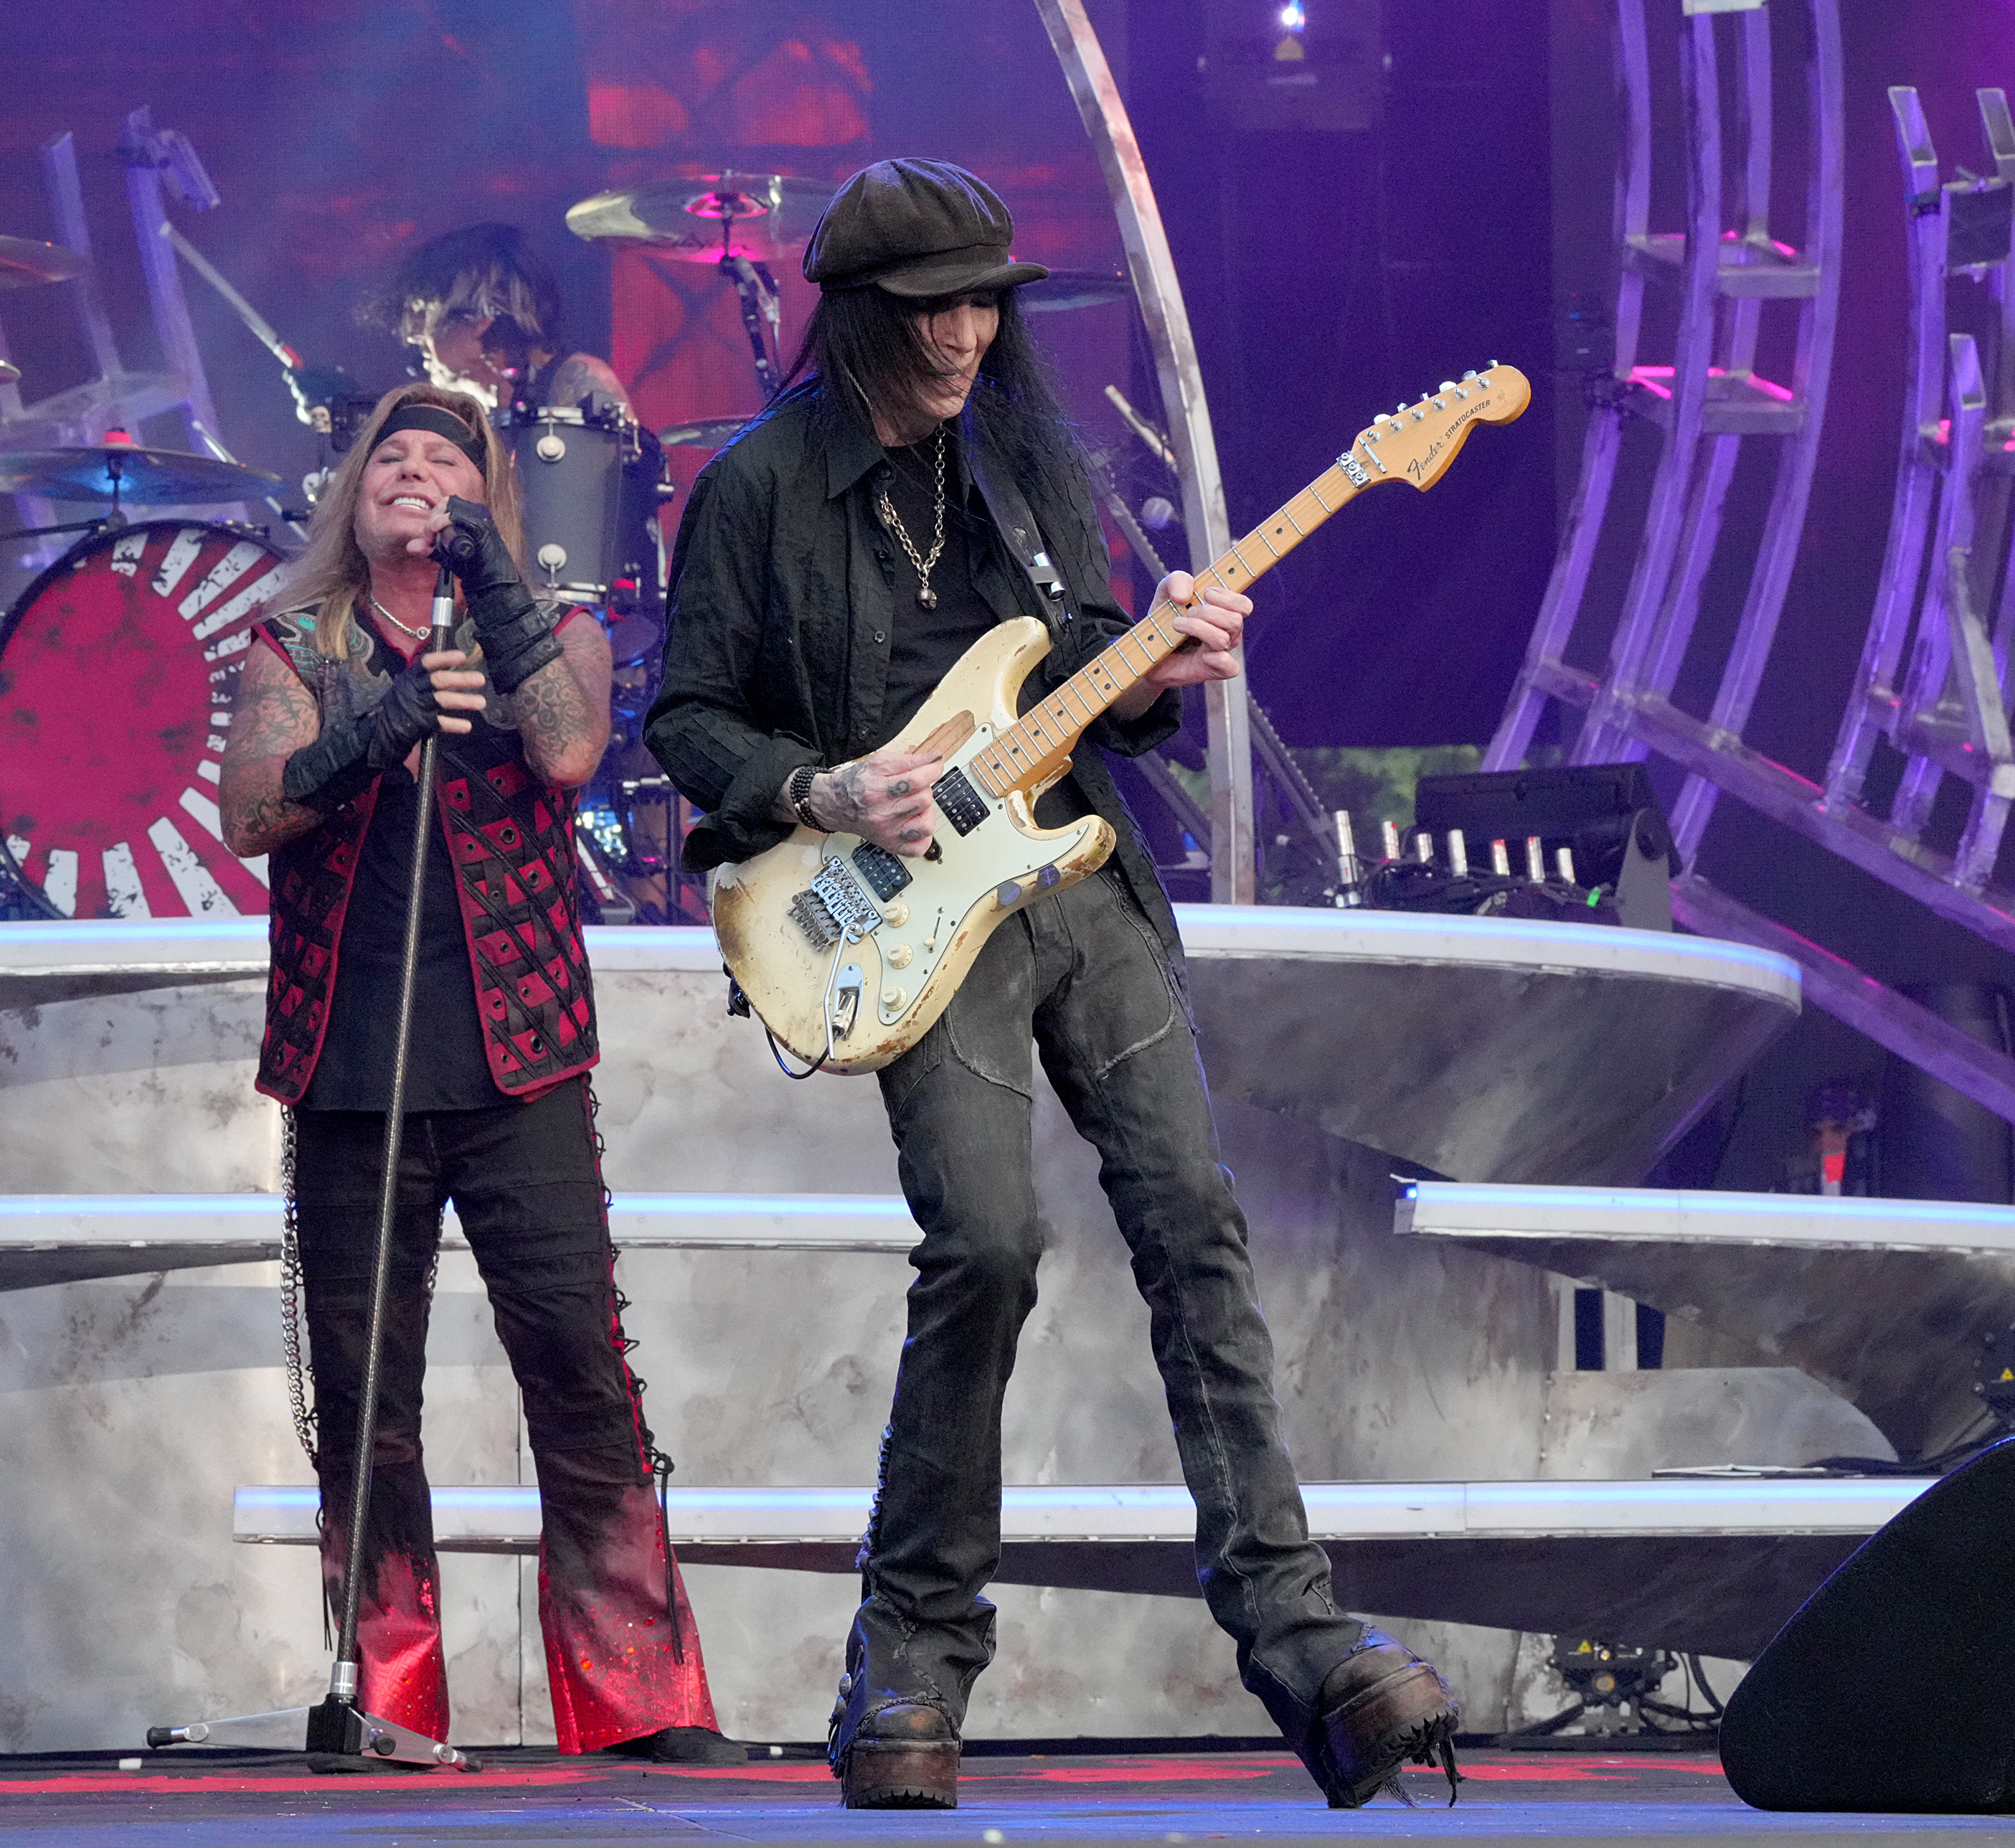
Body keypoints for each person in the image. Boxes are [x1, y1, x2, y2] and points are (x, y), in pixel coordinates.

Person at [645, 159, 1463, 1811]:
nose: (963, 335)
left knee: (1194, 1220)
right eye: (929, 309)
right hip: (903, 911)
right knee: (988, 1248)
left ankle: (1304, 1644)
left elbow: (1086, 668)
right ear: (860, 315)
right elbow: (688, 717)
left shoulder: (1026, 463)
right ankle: (908, 1661)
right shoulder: (758, 489)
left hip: (1074, 876)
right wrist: (821, 788)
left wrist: (1161, 668)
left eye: (981, 304)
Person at [220, 382, 740, 1764]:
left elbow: (566, 746)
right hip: (352, 1067)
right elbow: (252, 811)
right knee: (364, 1400)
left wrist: (488, 573)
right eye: (387, 456)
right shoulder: (292, 643)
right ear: (351, 499)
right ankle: (385, 1699)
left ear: (485, 497)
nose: (411, 469)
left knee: (579, 1373)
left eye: (443, 458)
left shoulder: (550, 634)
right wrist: (382, 721)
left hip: (520, 1066)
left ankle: (637, 1699)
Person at [381, 222, 630, 416]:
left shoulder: (578, 379)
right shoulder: (454, 412)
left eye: (424, 312)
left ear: (479, 319)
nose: (413, 336)